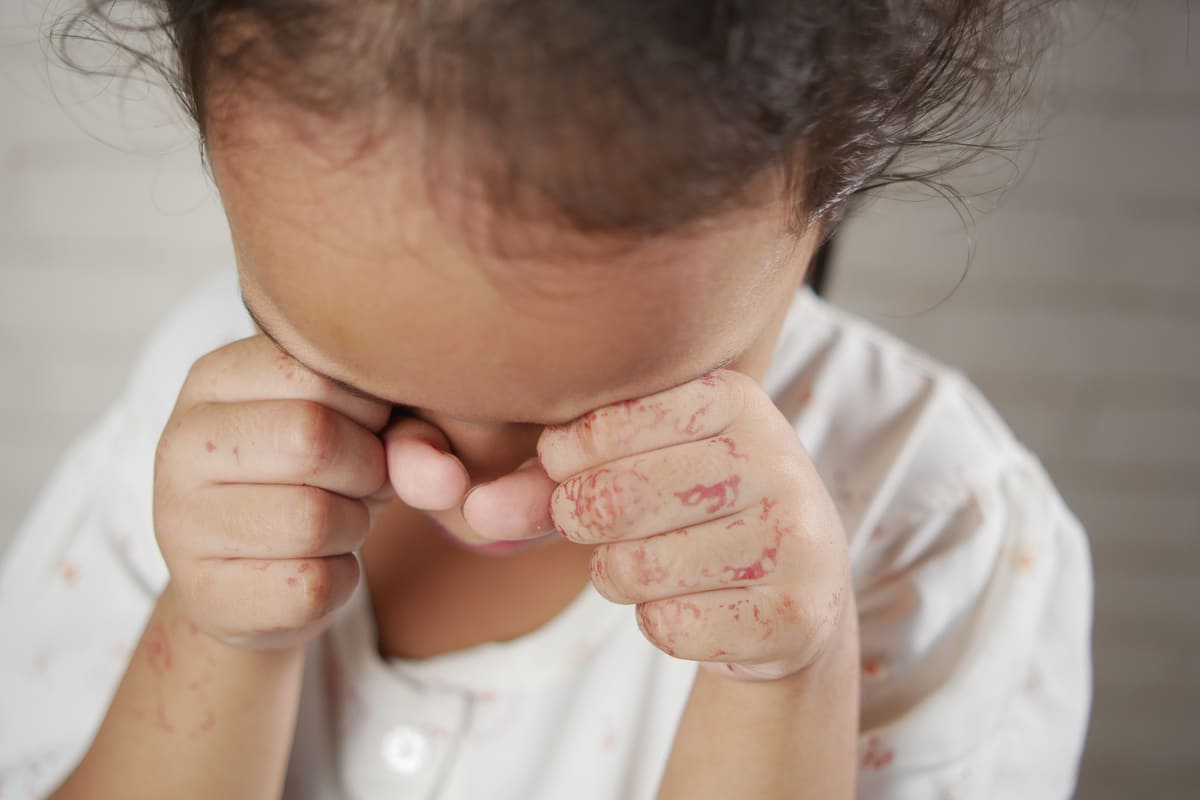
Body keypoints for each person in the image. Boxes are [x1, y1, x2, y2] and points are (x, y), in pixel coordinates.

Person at [0, 1, 1092, 798]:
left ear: (839, 174)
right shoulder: (205, 421)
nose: (473, 484)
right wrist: (217, 628)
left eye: (613, 396)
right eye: (345, 366)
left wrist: (784, 683)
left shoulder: (938, 526)